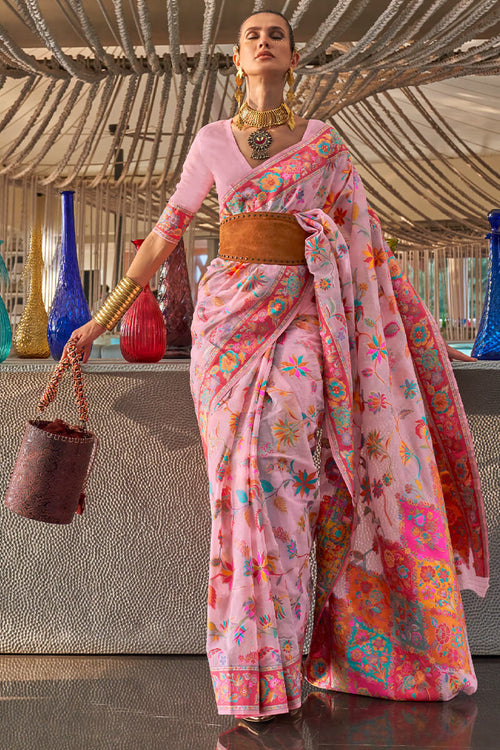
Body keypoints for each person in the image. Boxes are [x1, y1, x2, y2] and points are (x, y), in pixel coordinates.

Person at [66, 9, 488, 724]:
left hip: (302, 317)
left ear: (294, 59)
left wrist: (412, 330)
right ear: (237, 60)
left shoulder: (325, 147)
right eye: (251, 35)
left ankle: (289, 661)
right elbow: (168, 231)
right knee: (238, 485)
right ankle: (251, 676)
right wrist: (99, 319)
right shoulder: (210, 142)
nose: (264, 41)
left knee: (280, 475)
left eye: (277, 35)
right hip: (227, 325)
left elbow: (370, 246)